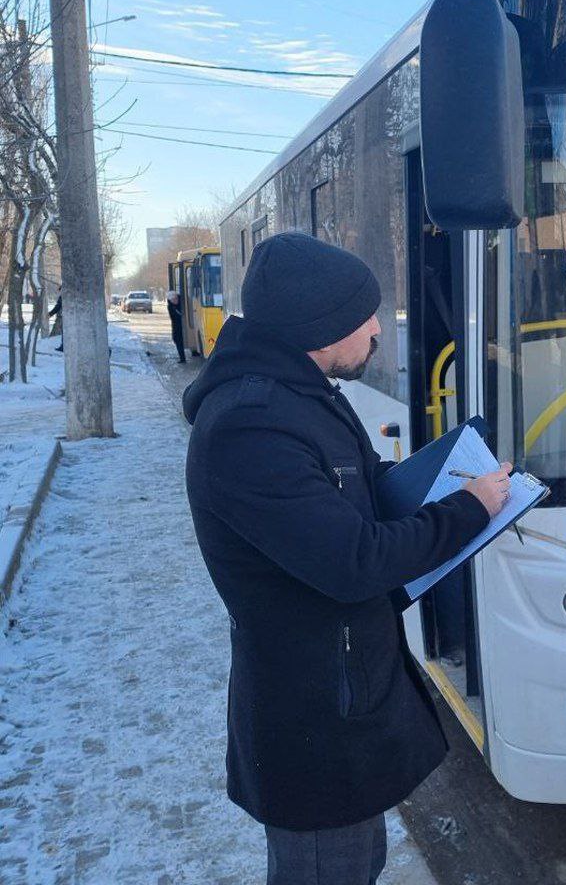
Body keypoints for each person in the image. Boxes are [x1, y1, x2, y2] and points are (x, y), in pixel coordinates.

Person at [183, 231, 511, 884]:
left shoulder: (295, 398)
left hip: (339, 694)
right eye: (365, 316)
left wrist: (425, 483)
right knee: (325, 870)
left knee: (357, 861)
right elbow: (354, 560)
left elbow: (342, 506)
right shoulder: (252, 424)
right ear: (321, 324)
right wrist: (469, 506)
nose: (376, 332)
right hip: (312, 716)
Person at [166, 290, 186, 363]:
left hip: (185, 324)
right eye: (173, 300)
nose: (175, 301)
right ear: (170, 300)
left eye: (176, 298)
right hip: (177, 326)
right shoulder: (170, 307)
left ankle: (194, 351)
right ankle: (182, 358)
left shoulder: (184, 303)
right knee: (177, 340)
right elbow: (173, 318)